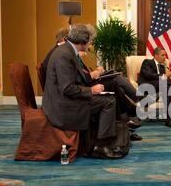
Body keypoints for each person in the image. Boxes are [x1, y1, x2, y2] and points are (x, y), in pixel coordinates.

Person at [42, 24, 124, 159]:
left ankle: (100, 142)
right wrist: (91, 90)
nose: (91, 44)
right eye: (90, 41)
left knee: (108, 96)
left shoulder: (67, 50)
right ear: (83, 41)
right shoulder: (65, 55)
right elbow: (67, 88)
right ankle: (100, 146)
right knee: (109, 102)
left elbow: (75, 77)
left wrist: (92, 80)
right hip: (62, 107)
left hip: (63, 100)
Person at [138, 47, 171, 128]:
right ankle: (170, 115)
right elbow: (148, 75)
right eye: (162, 55)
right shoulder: (147, 62)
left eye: (165, 55)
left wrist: (166, 74)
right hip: (146, 86)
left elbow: (165, 79)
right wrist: (164, 76)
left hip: (159, 88)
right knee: (166, 83)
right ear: (156, 55)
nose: (165, 57)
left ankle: (169, 118)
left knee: (167, 84)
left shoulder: (162, 67)